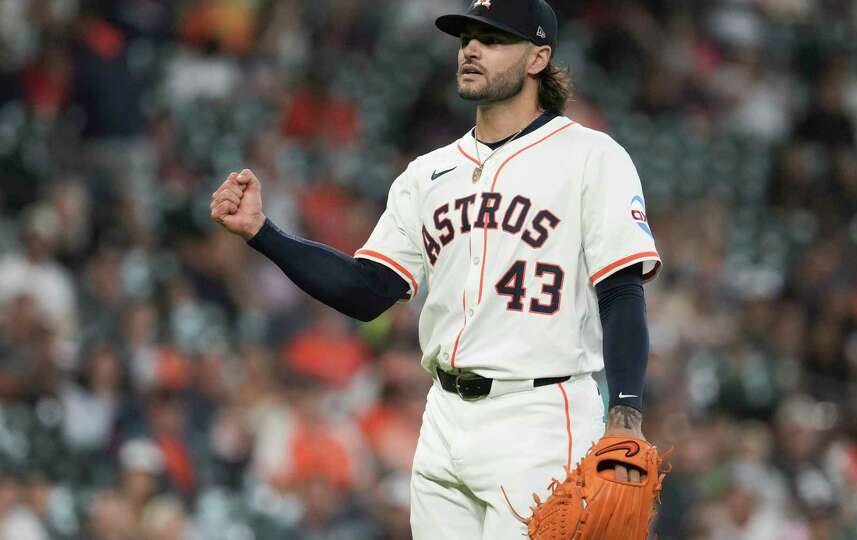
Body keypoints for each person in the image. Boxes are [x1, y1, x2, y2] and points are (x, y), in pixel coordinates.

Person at [210, 0, 662, 537]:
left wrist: (625, 415)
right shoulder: (427, 174)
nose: (470, 49)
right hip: (444, 417)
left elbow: (620, 294)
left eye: (493, 39)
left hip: (541, 415)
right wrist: (266, 234)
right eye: (466, 37)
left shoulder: (591, 157)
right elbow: (367, 291)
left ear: (538, 57)